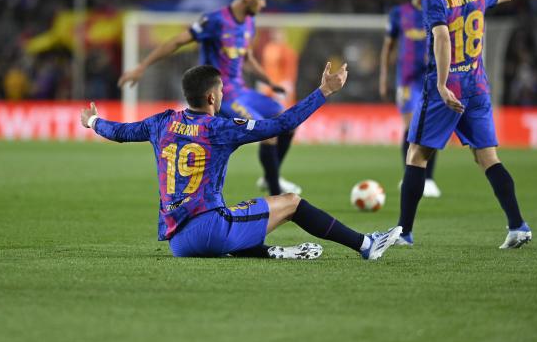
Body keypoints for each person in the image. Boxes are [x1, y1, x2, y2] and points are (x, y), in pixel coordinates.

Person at [85, 62, 402, 259]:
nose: (223, 95)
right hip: (209, 232)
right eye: (221, 90)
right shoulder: (219, 128)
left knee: (241, 211)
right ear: (212, 97)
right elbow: (281, 124)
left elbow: (121, 132)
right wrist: (323, 91)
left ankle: (270, 253)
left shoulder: (161, 123)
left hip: (177, 241)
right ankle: (365, 245)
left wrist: (94, 122)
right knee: (291, 202)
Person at [396, 0, 532, 248]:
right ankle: (518, 226)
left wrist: (442, 84)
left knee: (417, 155)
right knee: (488, 157)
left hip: (447, 88)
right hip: (478, 84)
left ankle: (403, 233)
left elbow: (442, 39)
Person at [118, 0, 301, 197]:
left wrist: (269, 81)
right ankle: (276, 194)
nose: (264, 4)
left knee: (288, 123)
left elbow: (247, 58)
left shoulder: (250, 22)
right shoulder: (215, 21)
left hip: (241, 91)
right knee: (268, 133)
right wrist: (142, 66)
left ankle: (270, 176)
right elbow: (177, 41)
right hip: (220, 93)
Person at [379, 0, 442, 198]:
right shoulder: (399, 13)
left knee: (431, 128)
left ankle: (429, 179)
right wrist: (383, 77)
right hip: (406, 80)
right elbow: (388, 47)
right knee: (411, 128)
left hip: (433, 78)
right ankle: (411, 176)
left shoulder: (439, 9)